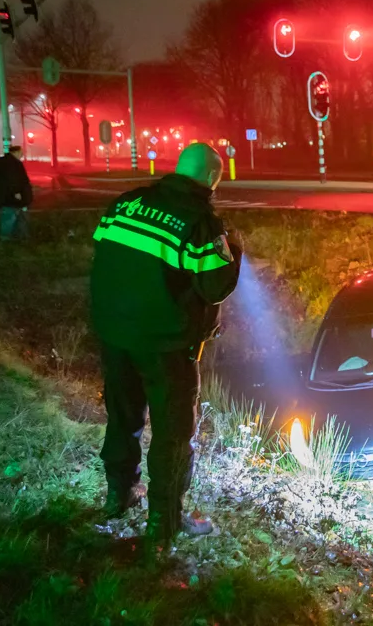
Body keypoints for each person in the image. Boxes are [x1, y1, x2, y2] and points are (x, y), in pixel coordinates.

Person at [89, 143, 242, 543]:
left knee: (123, 420)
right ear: (212, 179)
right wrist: (234, 249)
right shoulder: (199, 222)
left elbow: (109, 258)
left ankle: (116, 497)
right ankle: (165, 521)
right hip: (165, 344)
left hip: (115, 334)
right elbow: (216, 285)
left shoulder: (126, 203)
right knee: (173, 432)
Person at [0, 146, 33, 241]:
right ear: (16, 152)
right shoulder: (12, 164)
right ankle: (7, 238)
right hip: (12, 197)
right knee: (10, 216)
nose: (22, 154)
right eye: (21, 152)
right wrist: (16, 192)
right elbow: (13, 179)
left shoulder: (6, 163)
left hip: (9, 196)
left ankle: (16, 237)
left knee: (15, 216)